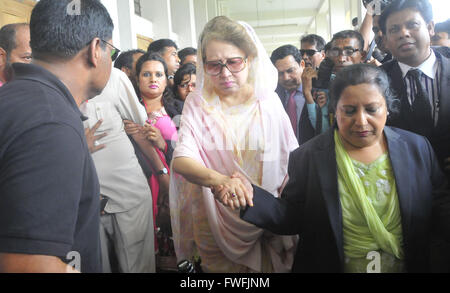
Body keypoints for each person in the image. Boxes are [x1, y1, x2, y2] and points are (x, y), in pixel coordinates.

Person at [215, 63, 450, 273]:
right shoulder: (308, 157)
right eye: (349, 111)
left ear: (387, 108)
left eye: (372, 109)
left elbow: (439, 208)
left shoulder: (416, 148)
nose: (361, 121)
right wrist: (251, 196)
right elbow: (293, 217)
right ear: (334, 110)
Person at [170, 16, 298, 273]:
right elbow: (182, 159)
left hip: (267, 218)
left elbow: (291, 161)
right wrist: (221, 181)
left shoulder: (267, 102)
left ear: (249, 59)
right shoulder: (199, 103)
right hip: (215, 217)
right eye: (214, 65)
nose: (225, 73)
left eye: (233, 62)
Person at [0, 0, 114, 273]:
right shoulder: (52, 123)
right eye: (112, 50)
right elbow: (29, 265)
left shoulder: (16, 97)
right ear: (95, 50)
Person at [80, 67, 156, 273]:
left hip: (127, 197)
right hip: (84, 203)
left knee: (137, 267)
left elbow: (139, 119)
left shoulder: (114, 77)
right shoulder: (54, 80)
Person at [379, 0, 450, 182]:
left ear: (430, 27)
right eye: (394, 30)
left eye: (412, 25)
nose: (404, 33)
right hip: (402, 184)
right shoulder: (376, 81)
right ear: (385, 40)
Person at [270, 45, 306, 143]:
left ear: (302, 65)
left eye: (290, 71)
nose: (286, 78)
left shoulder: (317, 92)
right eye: (280, 73)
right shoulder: (271, 96)